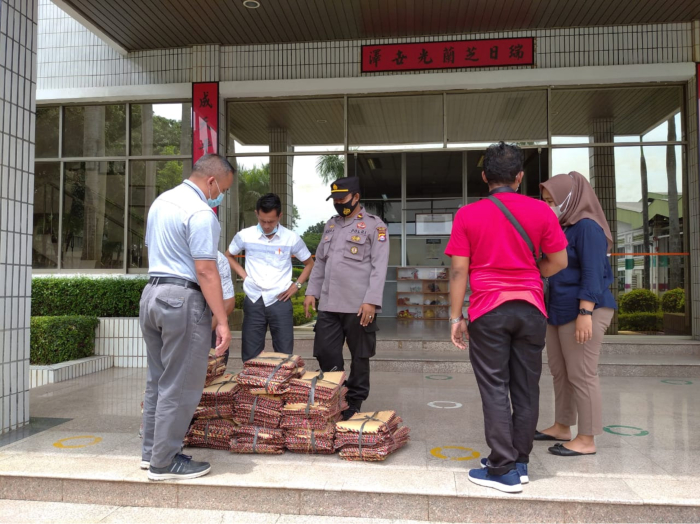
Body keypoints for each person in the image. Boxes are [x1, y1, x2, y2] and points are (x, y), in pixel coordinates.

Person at [446, 142, 568, 493]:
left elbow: (458, 273)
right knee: (527, 386)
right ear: (519, 177)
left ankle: (501, 469)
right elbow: (558, 262)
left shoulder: (468, 215)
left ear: (485, 177)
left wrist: (456, 318)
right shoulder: (541, 212)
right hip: (531, 308)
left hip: (489, 310)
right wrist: (531, 273)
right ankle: (520, 461)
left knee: (495, 387)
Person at [139, 153, 235, 481]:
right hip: (182, 298)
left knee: (158, 379)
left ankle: (151, 451)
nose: (220, 195)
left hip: (152, 294)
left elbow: (156, 250)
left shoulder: (161, 202)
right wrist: (222, 321)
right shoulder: (200, 212)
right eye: (222, 188)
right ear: (211, 181)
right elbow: (206, 270)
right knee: (181, 384)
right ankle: (164, 462)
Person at [536, 172, 617, 456]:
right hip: (558, 309)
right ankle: (562, 425)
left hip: (584, 309)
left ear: (570, 199)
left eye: (553, 201)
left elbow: (594, 274)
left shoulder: (587, 227)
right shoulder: (564, 227)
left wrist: (585, 311)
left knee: (582, 374)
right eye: (545, 201)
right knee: (561, 372)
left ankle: (586, 438)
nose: (549, 206)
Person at [304, 176, 390, 420]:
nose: (339, 203)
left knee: (360, 355)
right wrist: (312, 291)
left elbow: (379, 266)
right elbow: (320, 261)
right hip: (330, 304)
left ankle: (355, 400)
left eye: (343, 199)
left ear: (356, 197)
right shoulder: (331, 225)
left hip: (359, 305)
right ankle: (337, 392)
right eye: (335, 200)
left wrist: (371, 300)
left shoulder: (375, 226)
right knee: (324, 350)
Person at [226, 193, 314, 361]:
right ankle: (252, 386)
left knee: (284, 354)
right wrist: (245, 277)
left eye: (271, 221)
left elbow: (309, 263)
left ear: (279, 216)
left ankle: (281, 385)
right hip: (254, 299)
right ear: (257, 214)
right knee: (250, 354)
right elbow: (228, 255)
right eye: (262, 220)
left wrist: (297, 286)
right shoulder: (245, 235)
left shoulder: (291, 238)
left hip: (280, 299)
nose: (266, 225)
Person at [213, 251, 236, 365]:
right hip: (179, 320)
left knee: (215, 369)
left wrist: (204, 330)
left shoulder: (219, 258)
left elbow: (229, 302)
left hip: (211, 321)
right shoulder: (171, 253)